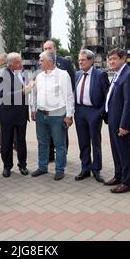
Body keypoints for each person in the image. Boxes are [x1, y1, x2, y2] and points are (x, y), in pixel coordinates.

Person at [103, 48, 130, 193]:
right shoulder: (118, 74)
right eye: (110, 59)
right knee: (116, 150)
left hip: (122, 122)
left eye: (114, 58)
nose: (111, 61)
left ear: (123, 59)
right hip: (113, 119)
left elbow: (129, 102)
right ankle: (118, 175)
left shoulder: (129, 75)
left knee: (124, 151)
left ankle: (127, 182)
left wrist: (125, 125)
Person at [30, 51, 74, 181]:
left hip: (57, 115)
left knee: (59, 144)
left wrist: (69, 115)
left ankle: (60, 169)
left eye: (41, 60)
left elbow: (69, 96)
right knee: (42, 143)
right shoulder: (39, 76)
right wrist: (33, 109)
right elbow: (34, 94)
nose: (39, 62)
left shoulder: (63, 75)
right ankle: (42, 167)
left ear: (50, 61)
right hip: (41, 115)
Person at [74, 50, 109, 183]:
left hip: (94, 112)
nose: (80, 62)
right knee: (83, 142)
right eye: (79, 60)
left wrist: (100, 112)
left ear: (90, 61)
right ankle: (85, 168)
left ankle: (96, 170)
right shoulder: (77, 74)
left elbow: (107, 95)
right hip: (80, 112)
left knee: (95, 142)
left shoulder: (100, 75)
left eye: (82, 60)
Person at [0, 53, 31, 177]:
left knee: (21, 141)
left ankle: (23, 165)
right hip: (7, 115)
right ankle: (7, 166)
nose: (21, 64)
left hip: (21, 114)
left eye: (20, 61)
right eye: (18, 62)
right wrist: (22, 91)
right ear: (10, 65)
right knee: (6, 142)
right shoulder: (1, 75)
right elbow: (2, 96)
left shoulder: (23, 74)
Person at [42, 40, 75, 162]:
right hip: (46, 106)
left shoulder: (65, 62)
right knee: (48, 132)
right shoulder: (40, 63)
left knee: (61, 131)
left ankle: (62, 155)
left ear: (55, 49)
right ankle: (50, 155)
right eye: (45, 48)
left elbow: (72, 83)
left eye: (49, 48)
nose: (47, 51)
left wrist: (69, 109)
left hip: (61, 105)